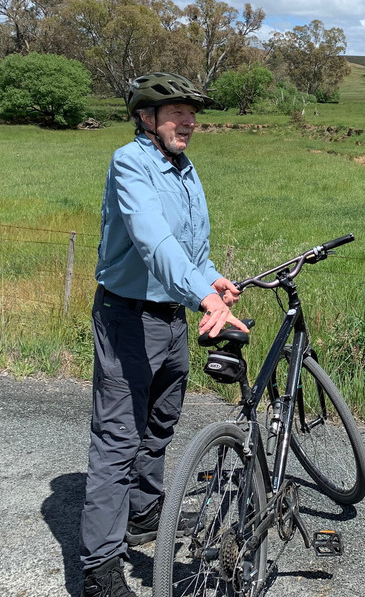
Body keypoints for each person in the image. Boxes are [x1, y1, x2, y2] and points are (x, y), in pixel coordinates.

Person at [78, 72, 249, 597]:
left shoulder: (184, 168)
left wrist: (210, 276)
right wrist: (204, 295)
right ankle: (99, 567)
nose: (190, 123)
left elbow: (188, 247)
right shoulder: (130, 163)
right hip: (128, 317)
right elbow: (153, 240)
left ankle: (144, 512)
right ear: (146, 118)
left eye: (192, 114)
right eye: (178, 113)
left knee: (160, 424)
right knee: (117, 439)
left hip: (171, 319)